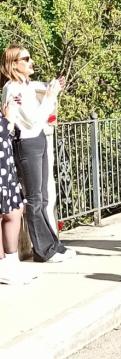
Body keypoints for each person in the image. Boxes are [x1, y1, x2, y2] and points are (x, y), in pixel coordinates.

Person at [0, 46, 74, 263]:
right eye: (26, 58)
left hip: (38, 138)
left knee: (43, 197)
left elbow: (42, 114)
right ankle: (43, 250)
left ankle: (52, 245)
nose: (31, 61)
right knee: (34, 199)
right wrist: (50, 97)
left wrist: (52, 90)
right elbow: (33, 119)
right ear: (14, 64)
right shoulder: (12, 89)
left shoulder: (27, 85)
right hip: (26, 142)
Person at [0, 101, 34, 284]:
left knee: (14, 212)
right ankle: (2, 267)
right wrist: (8, 120)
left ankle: (12, 264)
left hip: (5, 164)